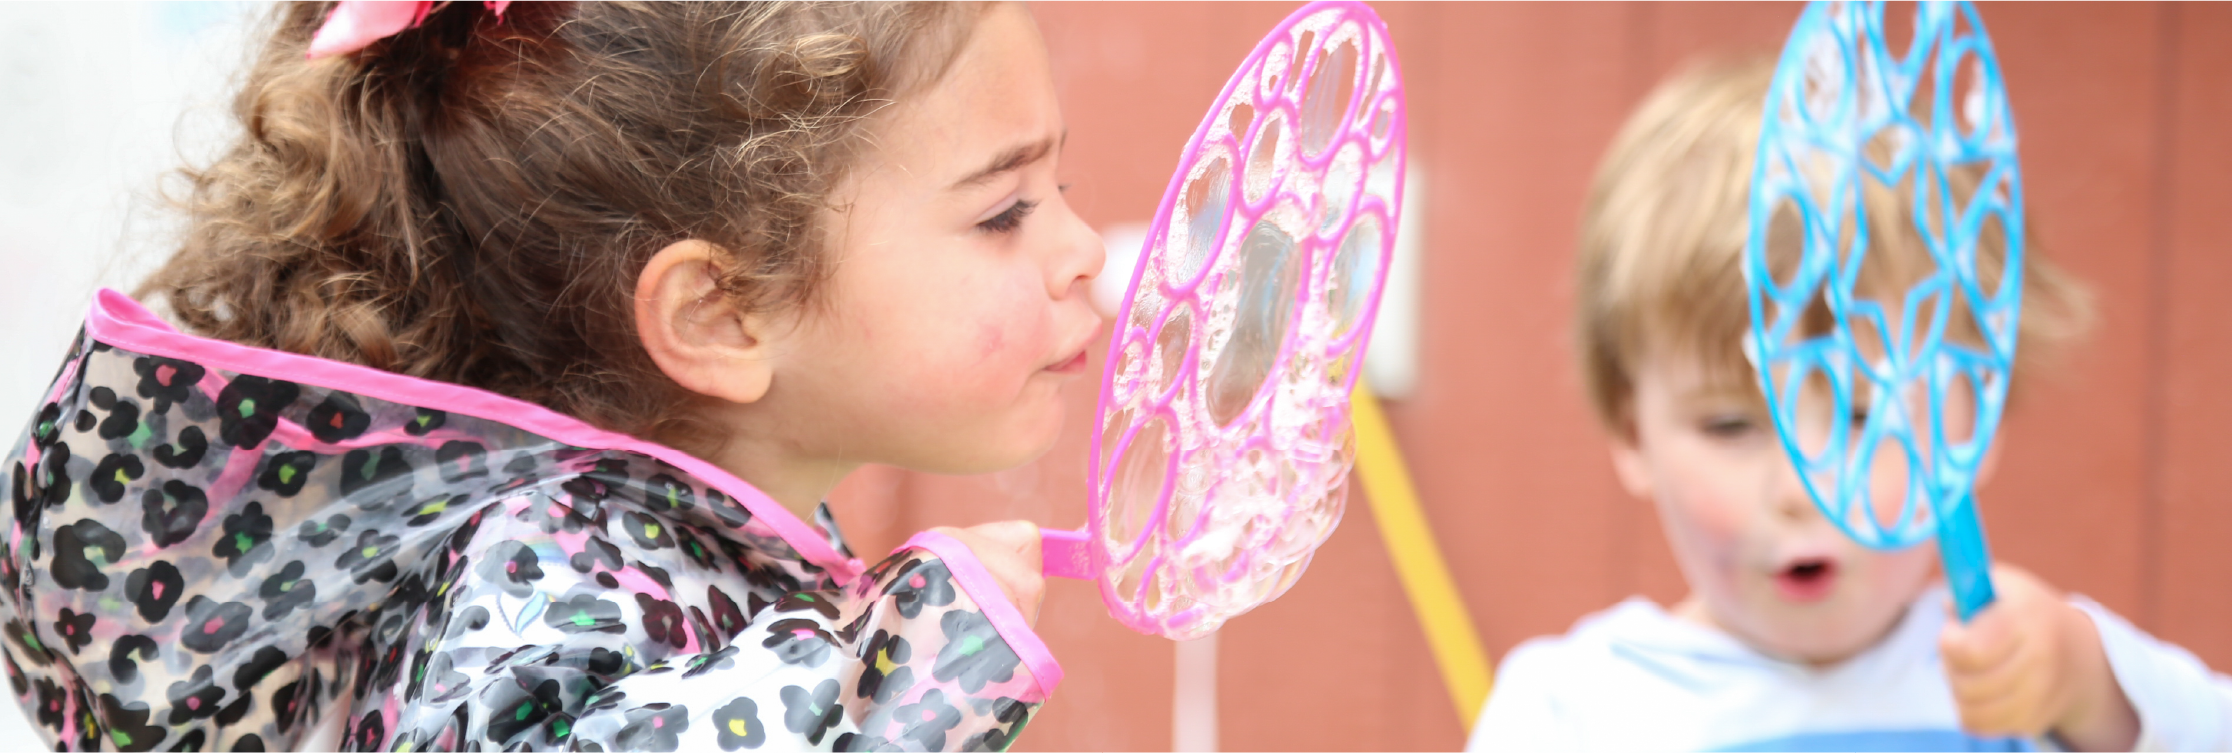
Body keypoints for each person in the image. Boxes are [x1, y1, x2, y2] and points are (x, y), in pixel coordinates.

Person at [0, 0, 1104, 751]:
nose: (1082, 251)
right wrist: (902, 678)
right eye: (1002, 212)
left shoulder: (668, 531)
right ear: (720, 313)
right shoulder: (542, 567)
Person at [1463, 58, 2231, 753]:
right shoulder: (1572, 712)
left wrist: (2094, 691)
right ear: (1633, 432)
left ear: (1977, 414)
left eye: (1865, 415)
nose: (1803, 488)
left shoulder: (2026, 677)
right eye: (1729, 425)